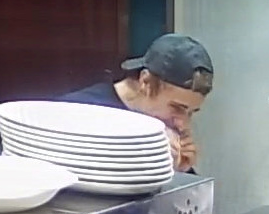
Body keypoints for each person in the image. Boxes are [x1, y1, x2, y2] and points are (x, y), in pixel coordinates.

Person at [60, 33, 214, 173]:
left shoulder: (167, 132)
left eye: (191, 112)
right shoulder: (76, 113)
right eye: (177, 107)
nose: (183, 125)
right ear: (145, 82)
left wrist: (179, 171)